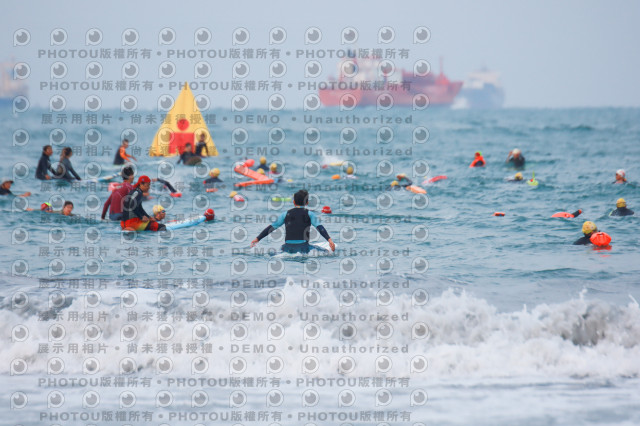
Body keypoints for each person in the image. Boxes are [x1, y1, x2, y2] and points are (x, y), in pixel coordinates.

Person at [251, 189, 335, 253]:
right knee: (326, 252)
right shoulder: (310, 214)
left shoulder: (285, 214)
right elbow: (320, 228)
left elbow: (272, 227)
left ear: (294, 202)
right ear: (307, 203)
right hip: (303, 247)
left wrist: (258, 238)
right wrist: (329, 240)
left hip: (286, 248)